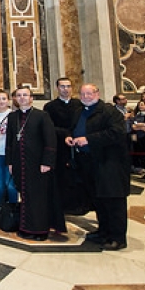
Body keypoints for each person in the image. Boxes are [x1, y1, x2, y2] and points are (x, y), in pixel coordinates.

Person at [66, 84, 131, 251]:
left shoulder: (109, 112)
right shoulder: (79, 111)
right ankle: (103, 231)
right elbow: (73, 129)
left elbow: (116, 133)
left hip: (109, 163)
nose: (86, 96)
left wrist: (89, 139)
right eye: (83, 93)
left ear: (97, 93)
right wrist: (69, 137)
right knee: (98, 199)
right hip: (88, 163)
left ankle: (117, 237)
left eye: (89, 93)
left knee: (113, 200)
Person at [6, 87, 58, 242]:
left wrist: (47, 162)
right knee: (25, 195)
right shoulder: (13, 116)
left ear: (31, 98)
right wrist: (9, 162)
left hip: (37, 163)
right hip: (19, 162)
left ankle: (40, 230)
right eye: (19, 95)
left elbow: (50, 140)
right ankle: (25, 227)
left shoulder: (41, 115)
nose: (22, 98)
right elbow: (9, 142)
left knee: (38, 197)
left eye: (25, 95)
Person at [43, 77, 85, 216]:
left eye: (68, 86)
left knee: (79, 175)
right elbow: (49, 127)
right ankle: (63, 204)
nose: (65, 89)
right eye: (62, 86)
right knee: (62, 176)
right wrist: (65, 135)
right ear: (57, 88)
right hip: (60, 145)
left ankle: (79, 204)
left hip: (79, 144)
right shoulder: (50, 107)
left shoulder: (79, 104)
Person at [0, 89, 18, 207]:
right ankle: (0, 208)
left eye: (4, 99)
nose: (1, 101)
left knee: (11, 184)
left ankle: (14, 209)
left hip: (10, 154)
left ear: (8, 100)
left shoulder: (13, 115)